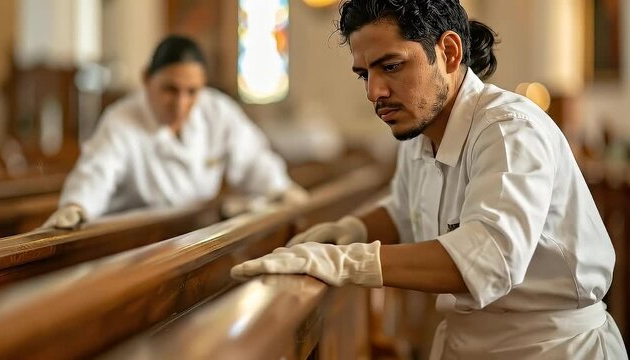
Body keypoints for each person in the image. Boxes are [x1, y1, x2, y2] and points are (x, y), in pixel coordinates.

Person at [231, 0, 628, 358]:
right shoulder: (419, 133)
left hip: (551, 348)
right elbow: (406, 211)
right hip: (469, 343)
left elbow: (489, 260)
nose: (374, 92)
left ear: (449, 52)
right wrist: (347, 230)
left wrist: (347, 261)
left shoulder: (508, 130)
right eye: (363, 74)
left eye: (390, 66)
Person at [44, 35, 307, 229]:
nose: (181, 104)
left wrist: (280, 188)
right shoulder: (122, 119)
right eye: (170, 89)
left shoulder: (217, 111)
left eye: (192, 91)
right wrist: (77, 204)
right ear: (147, 79)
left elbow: (252, 159)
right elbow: (97, 170)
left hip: (195, 229)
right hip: (132, 238)